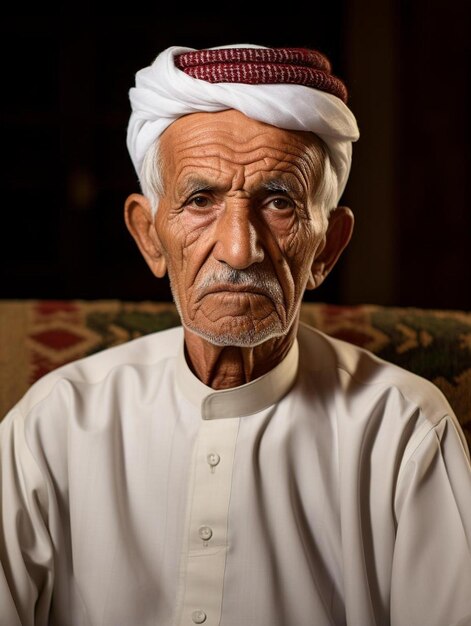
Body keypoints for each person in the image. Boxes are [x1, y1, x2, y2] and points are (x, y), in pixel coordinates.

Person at [1, 44, 470, 626]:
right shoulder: (54, 423)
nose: (238, 249)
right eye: (200, 201)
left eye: (279, 203)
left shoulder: (403, 429)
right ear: (150, 236)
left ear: (327, 246)